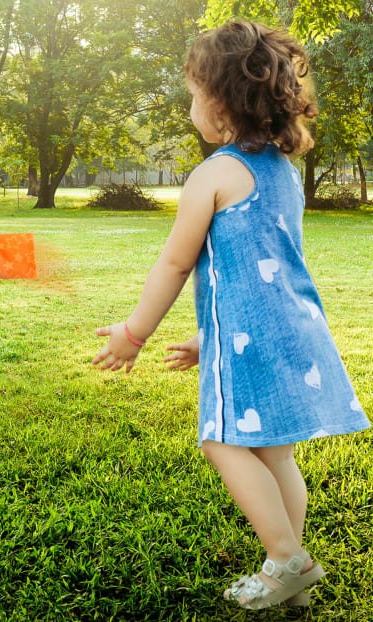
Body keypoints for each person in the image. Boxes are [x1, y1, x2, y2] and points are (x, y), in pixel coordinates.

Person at [91, 20, 370, 610]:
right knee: (275, 453)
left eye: (194, 92)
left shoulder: (214, 173)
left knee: (221, 441)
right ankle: (287, 573)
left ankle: (287, 559)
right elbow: (257, 266)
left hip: (254, 338)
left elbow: (174, 264)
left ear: (220, 105)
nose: (190, 103)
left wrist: (133, 333)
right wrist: (205, 335)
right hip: (291, 327)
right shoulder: (284, 174)